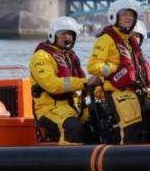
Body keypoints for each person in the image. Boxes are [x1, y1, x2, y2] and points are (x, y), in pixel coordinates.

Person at [87, 0, 150, 144]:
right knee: (131, 131)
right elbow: (93, 66)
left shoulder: (128, 40)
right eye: (124, 14)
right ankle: (126, 161)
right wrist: (113, 69)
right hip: (118, 92)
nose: (128, 18)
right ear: (115, 16)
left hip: (134, 91)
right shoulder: (106, 39)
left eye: (131, 15)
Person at [29, 16, 99, 144]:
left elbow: (83, 88)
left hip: (74, 107)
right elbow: (52, 84)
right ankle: (69, 160)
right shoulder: (41, 57)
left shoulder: (70, 57)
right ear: (53, 35)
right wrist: (85, 83)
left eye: (71, 34)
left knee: (100, 119)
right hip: (50, 110)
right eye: (63, 34)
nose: (67, 37)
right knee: (72, 127)